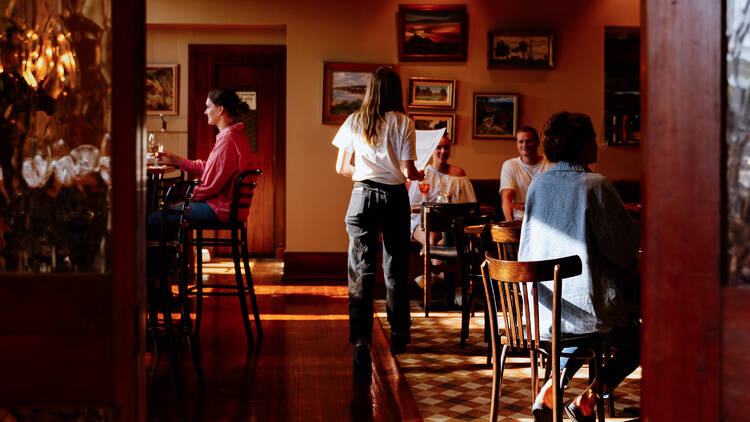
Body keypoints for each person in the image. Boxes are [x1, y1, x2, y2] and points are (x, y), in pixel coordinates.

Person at [517, 112, 640, 422]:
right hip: (586, 311)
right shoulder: (595, 184)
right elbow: (625, 251)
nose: (597, 144)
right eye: (593, 138)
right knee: (637, 339)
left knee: (575, 328)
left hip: (541, 310)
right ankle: (587, 401)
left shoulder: (538, 184)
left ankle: (550, 389)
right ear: (583, 146)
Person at [332, 67, 422, 371]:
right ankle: (398, 335)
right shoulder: (404, 122)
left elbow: (341, 167)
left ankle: (361, 342)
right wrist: (418, 175)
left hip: (362, 196)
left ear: (371, 89)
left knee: (361, 271)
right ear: (397, 90)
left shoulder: (354, 120)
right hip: (395, 197)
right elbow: (409, 172)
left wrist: (364, 175)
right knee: (395, 268)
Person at [150, 89, 259, 231]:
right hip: (228, 208)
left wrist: (189, 198)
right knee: (167, 213)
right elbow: (212, 169)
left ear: (220, 110)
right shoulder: (235, 136)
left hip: (220, 209)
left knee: (156, 218)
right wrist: (177, 160)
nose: (205, 112)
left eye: (208, 107)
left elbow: (211, 185)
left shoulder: (228, 140)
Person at [408, 134, 476, 247]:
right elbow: (412, 206)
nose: (443, 151)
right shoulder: (423, 174)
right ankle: (439, 261)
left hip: (449, 224)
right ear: (432, 150)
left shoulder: (459, 174)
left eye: (446, 147)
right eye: (438, 147)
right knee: (432, 239)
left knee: (446, 238)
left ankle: (438, 262)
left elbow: (470, 203)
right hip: (422, 223)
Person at [499, 126, 552, 221]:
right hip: (520, 220)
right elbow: (506, 199)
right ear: (517, 144)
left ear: (537, 142)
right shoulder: (510, 165)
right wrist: (510, 225)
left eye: (529, 141)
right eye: (521, 142)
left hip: (546, 219)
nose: (525, 145)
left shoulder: (550, 164)